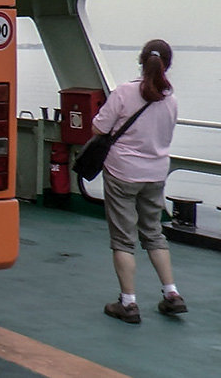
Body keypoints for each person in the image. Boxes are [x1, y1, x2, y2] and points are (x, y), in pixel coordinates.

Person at [95, 39, 186, 324]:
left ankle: (129, 303)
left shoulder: (124, 92)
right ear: (167, 66)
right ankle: (172, 294)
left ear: (141, 61)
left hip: (122, 173)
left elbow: (99, 126)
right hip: (156, 175)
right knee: (154, 233)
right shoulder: (170, 100)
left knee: (123, 239)